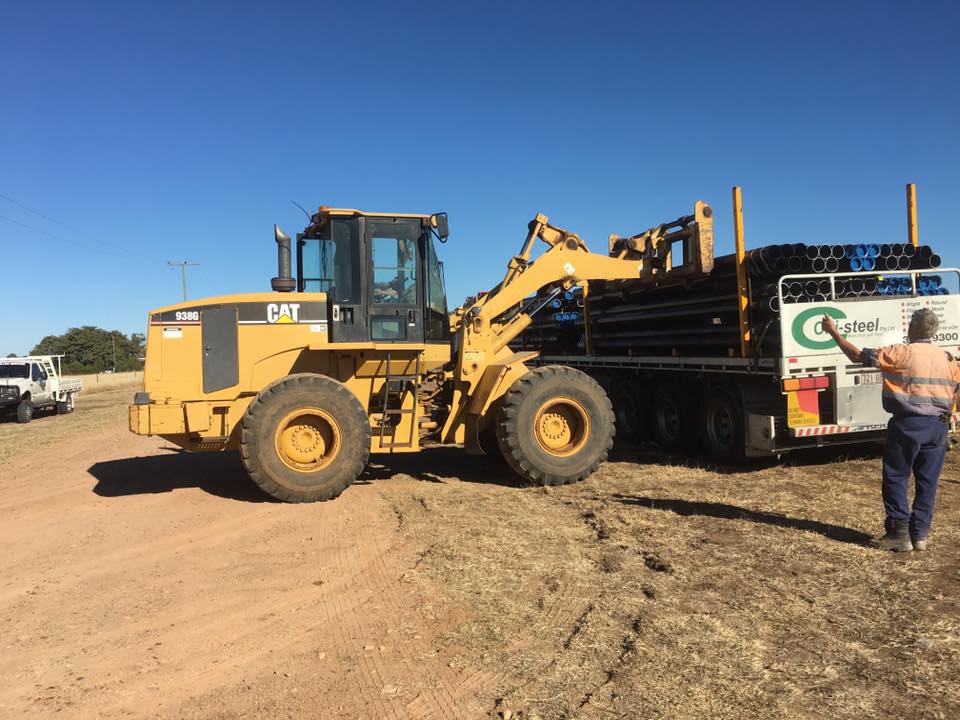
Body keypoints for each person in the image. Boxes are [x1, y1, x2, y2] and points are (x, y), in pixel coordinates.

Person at [822, 308, 960, 552]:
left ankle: (898, 533)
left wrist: (834, 332)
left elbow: (857, 356)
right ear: (934, 331)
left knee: (896, 476)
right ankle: (920, 535)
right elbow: (956, 389)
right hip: (938, 427)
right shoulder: (948, 359)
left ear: (911, 329)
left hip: (908, 425)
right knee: (928, 482)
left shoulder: (900, 352)